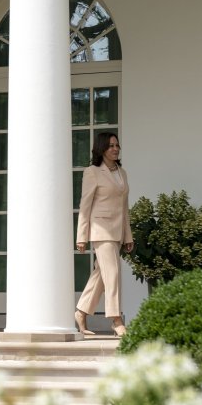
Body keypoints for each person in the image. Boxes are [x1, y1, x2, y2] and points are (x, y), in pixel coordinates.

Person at [74, 131, 133, 337]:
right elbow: (85, 204)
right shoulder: (92, 172)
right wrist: (81, 235)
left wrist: (128, 235)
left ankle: (81, 312)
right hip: (101, 229)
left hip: (117, 231)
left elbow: (124, 206)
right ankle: (116, 320)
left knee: (101, 275)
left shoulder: (121, 173)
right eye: (110, 146)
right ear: (102, 149)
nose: (115, 149)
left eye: (117, 145)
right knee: (113, 273)